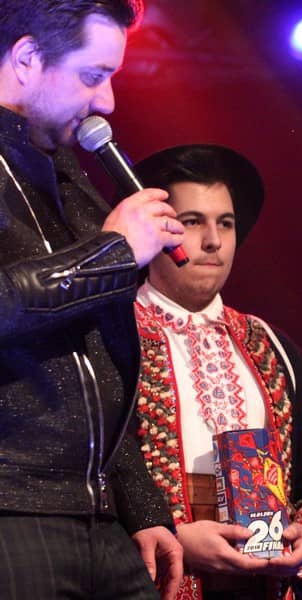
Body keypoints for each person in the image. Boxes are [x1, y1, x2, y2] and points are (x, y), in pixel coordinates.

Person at [0, 1, 186, 598]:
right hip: (13, 509)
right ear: (28, 57)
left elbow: (94, 361)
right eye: (92, 75)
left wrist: (139, 504)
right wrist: (111, 254)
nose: (106, 101)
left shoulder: (64, 172)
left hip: (98, 516)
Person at [132, 144, 302, 599]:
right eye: (193, 222)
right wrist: (176, 538)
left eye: (226, 223)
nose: (213, 240)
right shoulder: (111, 340)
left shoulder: (272, 346)